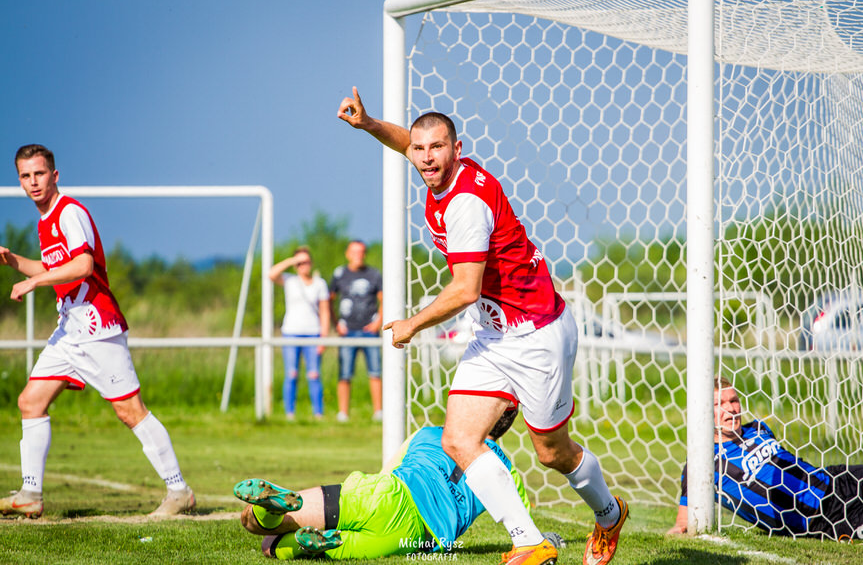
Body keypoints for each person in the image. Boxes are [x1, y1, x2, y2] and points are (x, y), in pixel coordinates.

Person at [336, 88, 627, 565]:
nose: (426, 157)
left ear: (457, 149)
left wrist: (412, 323)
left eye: (437, 148)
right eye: (419, 148)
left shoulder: (465, 204)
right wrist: (369, 124)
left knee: (551, 453)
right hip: (495, 336)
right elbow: (406, 140)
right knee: (458, 440)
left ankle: (610, 513)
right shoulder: (433, 167)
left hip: (537, 334)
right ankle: (528, 541)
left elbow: (465, 289)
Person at [0, 144, 194, 519]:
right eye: (26, 176)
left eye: (39, 174)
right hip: (69, 331)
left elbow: (83, 265)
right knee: (30, 401)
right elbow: (51, 265)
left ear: (54, 176)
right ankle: (30, 494)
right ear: (20, 181)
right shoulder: (44, 221)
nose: (33, 182)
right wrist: (15, 263)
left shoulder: (69, 212)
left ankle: (179, 490)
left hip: (96, 327)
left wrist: (32, 284)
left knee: (129, 411)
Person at [234, 408, 563, 559]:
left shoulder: (432, 434)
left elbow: (386, 471)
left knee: (258, 532)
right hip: (416, 537)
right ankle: (317, 545)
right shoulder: (506, 470)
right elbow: (525, 527)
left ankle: (270, 511)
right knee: (326, 548)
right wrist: (549, 539)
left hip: (387, 496)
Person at [667, 376, 863, 540]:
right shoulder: (704, 463)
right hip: (825, 518)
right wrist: (679, 529)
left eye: (734, 401)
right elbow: (683, 522)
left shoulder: (757, 428)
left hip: (838, 479)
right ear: (703, 412)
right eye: (719, 404)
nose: (731, 409)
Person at [269, 246, 330, 420]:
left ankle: (318, 413)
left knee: (314, 374)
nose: (304, 265)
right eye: (300, 262)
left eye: (306, 261)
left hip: (313, 333)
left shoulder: (320, 283)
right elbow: (271, 274)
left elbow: (325, 311)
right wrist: (291, 261)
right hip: (291, 333)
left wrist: (323, 338)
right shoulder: (289, 281)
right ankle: (290, 413)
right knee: (292, 373)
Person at [329, 240, 383, 422]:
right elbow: (328, 299)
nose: (358, 255)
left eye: (361, 252)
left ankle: (378, 412)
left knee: (375, 371)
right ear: (347, 254)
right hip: (348, 331)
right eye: (354, 252)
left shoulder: (374, 274)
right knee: (344, 373)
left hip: (370, 331)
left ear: (365, 254)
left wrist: (378, 322)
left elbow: (384, 299)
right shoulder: (340, 274)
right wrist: (336, 323)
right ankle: (343, 413)